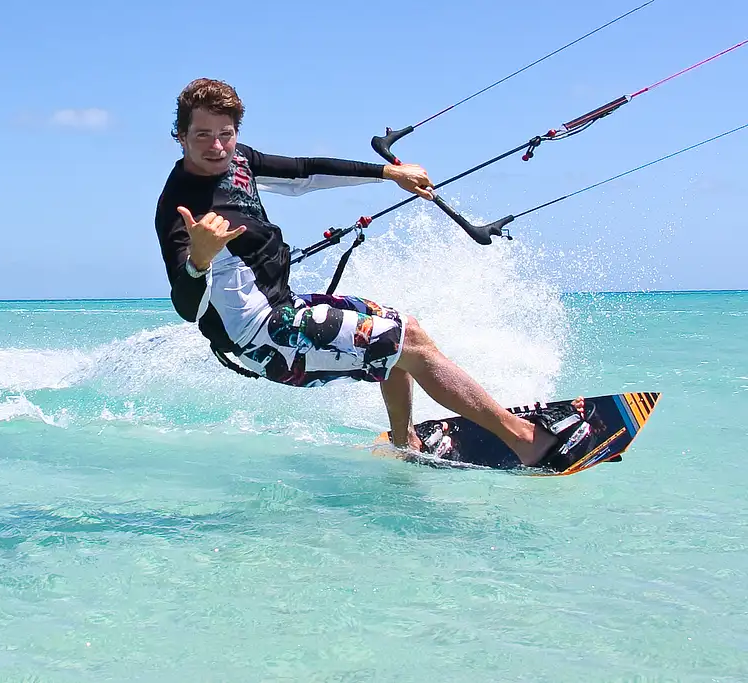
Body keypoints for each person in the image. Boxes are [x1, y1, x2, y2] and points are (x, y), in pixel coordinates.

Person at [153, 77, 590, 469]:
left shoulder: (239, 162)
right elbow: (187, 309)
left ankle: (406, 443)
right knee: (407, 345)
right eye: (203, 136)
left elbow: (305, 172)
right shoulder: (180, 208)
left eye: (225, 135)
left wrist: (389, 173)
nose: (217, 147)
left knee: (403, 326)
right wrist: (200, 259)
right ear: (180, 137)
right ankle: (524, 442)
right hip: (261, 339)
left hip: (285, 308)